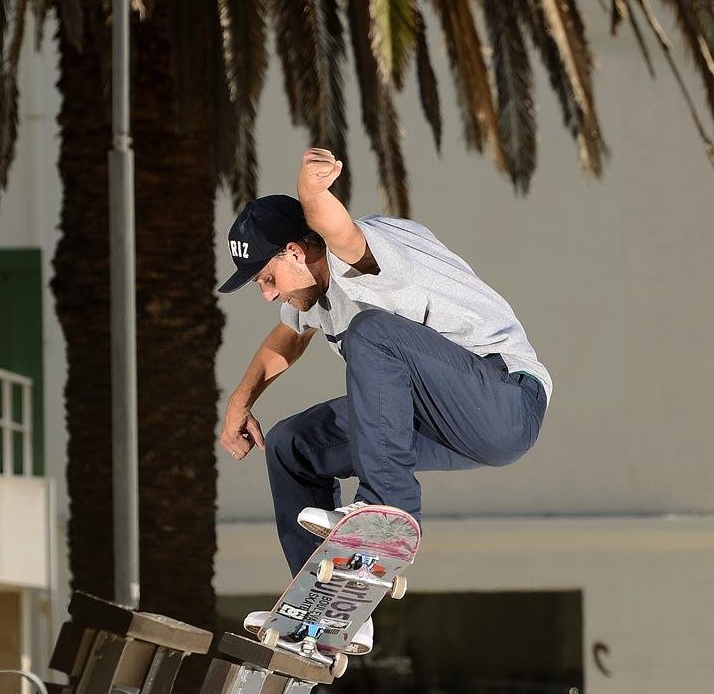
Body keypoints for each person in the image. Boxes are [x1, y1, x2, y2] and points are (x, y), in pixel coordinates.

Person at [218, 148, 549, 644]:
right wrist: (240, 402)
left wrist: (312, 193)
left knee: (371, 333)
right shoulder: (313, 292)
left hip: (505, 400)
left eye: (267, 279)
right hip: (436, 424)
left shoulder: (370, 251)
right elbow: (286, 338)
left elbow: (341, 234)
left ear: (296, 251)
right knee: (292, 445)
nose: (268, 294)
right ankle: (324, 607)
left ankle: (386, 507)